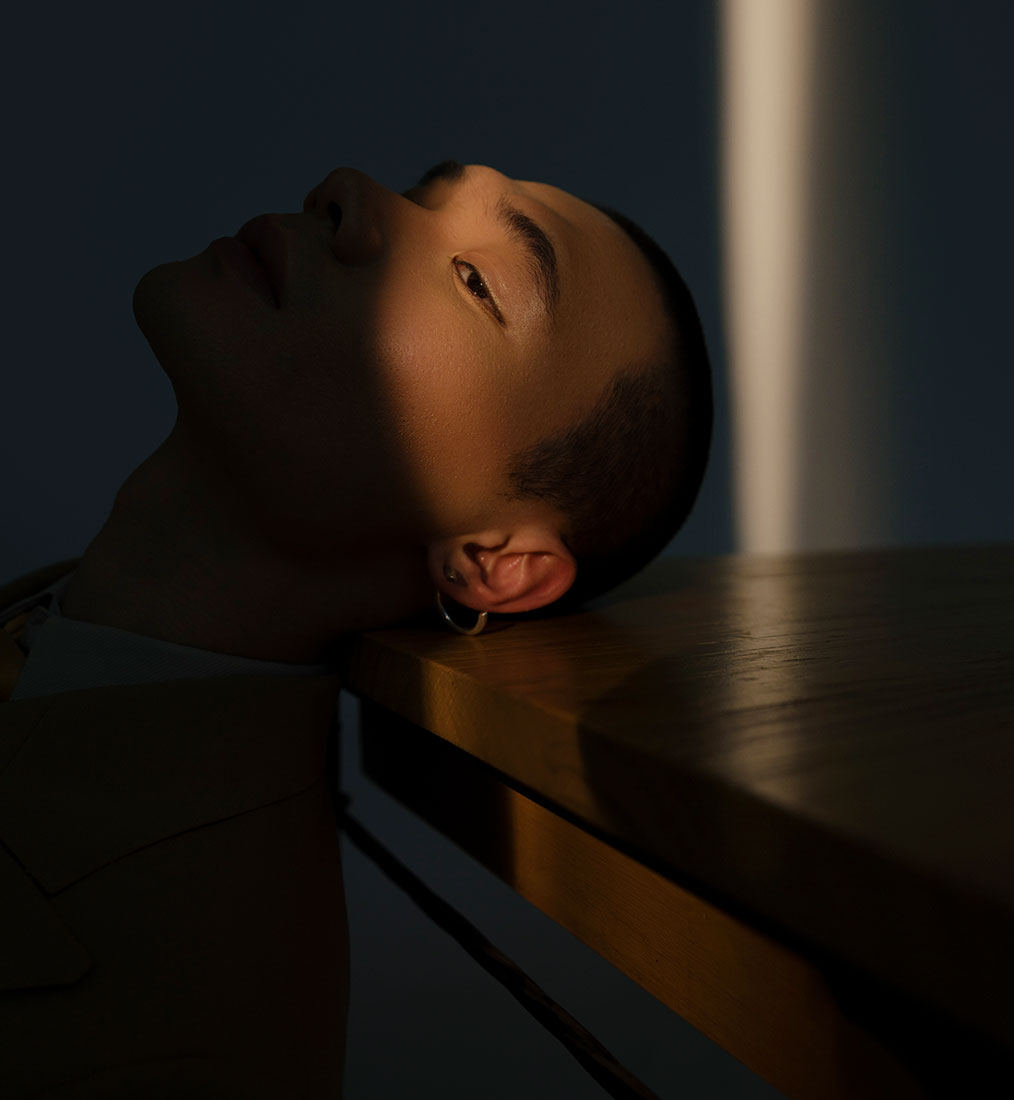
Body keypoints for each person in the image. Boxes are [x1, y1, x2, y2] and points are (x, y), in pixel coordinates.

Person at [0, 160, 712, 1097]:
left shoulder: (170, 1030)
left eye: (476, 280)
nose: (350, 192)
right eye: (420, 197)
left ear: (493, 561)